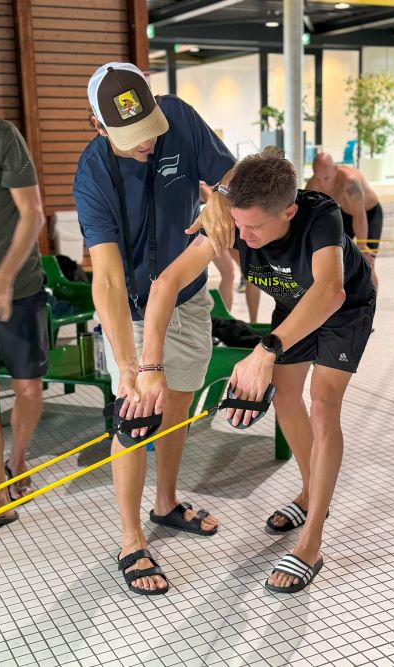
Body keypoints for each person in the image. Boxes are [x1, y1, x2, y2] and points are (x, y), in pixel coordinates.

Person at [142, 147, 376, 593]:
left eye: (253, 227)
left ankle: (311, 543)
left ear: (288, 211)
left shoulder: (320, 216)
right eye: (237, 224)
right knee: (286, 399)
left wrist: (265, 351)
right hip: (293, 308)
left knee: (323, 407)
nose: (241, 236)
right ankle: (311, 495)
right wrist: (150, 367)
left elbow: (329, 293)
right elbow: (167, 283)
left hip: (344, 308)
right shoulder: (233, 219)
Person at [73, 62, 236, 595]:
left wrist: (220, 197)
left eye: (150, 131)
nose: (147, 144)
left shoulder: (180, 119)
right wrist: (130, 366)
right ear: (99, 126)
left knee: (178, 406)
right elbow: (109, 282)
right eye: (131, 138)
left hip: (188, 297)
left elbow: (233, 176)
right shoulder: (93, 173)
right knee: (135, 417)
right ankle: (129, 538)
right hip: (136, 312)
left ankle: (165, 503)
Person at [0, 118, 48, 534]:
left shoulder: (2, 137)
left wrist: (4, 277)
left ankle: (18, 459)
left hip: (19, 288)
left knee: (27, 388)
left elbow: (33, 214)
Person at [306, 152, 383, 291]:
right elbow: (307, 217)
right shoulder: (313, 184)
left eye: (326, 178)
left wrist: (362, 245)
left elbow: (360, 216)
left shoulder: (350, 183)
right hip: (345, 213)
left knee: (367, 265)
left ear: (335, 170)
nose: (322, 184)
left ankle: (371, 309)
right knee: (334, 260)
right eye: (318, 178)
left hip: (369, 214)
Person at [200, 181, 261, 321]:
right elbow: (211, 203)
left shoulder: (227, 177)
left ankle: (253, 322)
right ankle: (225, 321)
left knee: (251, 274)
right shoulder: (202, 182)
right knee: (230, 273)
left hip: (231, 226)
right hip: (213, 228)